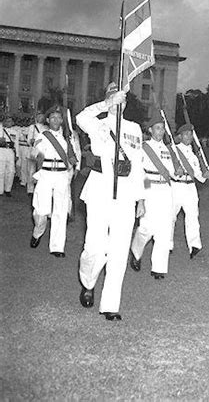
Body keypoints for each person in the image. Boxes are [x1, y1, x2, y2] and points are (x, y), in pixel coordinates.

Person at [76, 83, 145, 321]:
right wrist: (106, 104)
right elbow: (80, 117)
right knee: (94, 248)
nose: (120, 103)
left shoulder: (135, 128)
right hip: (100, 190)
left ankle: (110, 304)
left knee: (119, 249)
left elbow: (139, 165)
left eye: (123, 99)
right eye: (116, 98)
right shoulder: (98, 122)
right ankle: (88, 281)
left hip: (125, 193)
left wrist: (141, 198)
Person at [130, 113, 182, 280]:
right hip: (149, 187)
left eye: (162, 129)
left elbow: (174, 173)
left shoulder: (169, 150)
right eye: (157, 128)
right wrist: (142, 196)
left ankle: (159, 267)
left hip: (166, 190)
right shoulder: (143, 147)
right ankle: (136, 252)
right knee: (146, 227)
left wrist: (178, 171)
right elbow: (139, 173)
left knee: (165, 228)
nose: (160, 132)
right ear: (150, 130)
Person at [30, 106, 79, 256]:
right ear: (47, 120)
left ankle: (57, 247)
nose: (56, 120)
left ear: (62, 120)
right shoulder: (42, 135)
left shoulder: (69, 137)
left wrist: (74, 168)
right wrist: (38, 156)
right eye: (52, 117)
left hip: (62, 175)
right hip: (45, 174)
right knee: (41, 211)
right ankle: (38, 232)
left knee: (60, 211)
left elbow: (75, 155)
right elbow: (34, 153)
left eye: (59, 117)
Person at [170, 123, 209, 259]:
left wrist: (204, 176)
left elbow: (198, 175)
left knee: (193, 216)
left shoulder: (194, 156)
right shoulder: (173, 151)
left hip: (190, 188)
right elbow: (168, 170)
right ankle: (168, 243)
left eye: (190, 134)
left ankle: (195, 245)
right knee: (170, 217)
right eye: (186, 134)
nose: (189, 137)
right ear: (180, 136)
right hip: (176, 187)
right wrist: (175, 172)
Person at [26, 112, 48, 195]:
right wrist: (33, 141)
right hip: (34, 150)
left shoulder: (46, 127)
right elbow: (29, 139)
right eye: (39, 116)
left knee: (41, 170)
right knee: (31, 170)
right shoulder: (32, 127)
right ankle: (30, 189)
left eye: (42, 116)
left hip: (43, 151)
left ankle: (39, 187)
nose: (41, 118)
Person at [0, 114, 18, 197]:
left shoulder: (15, 132)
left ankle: (8, 189)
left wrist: (17, 154)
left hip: (10, 151)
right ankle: (0, 190)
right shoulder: (1, 130)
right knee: (1, 171)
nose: (9, 123)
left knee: (11, 171)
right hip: (1, 151)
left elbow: (16, 144)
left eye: (10, 121)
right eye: (7, 121)